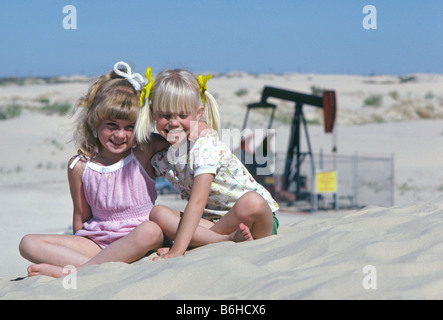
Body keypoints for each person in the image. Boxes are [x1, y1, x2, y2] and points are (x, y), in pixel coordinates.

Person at [18, 62, 168, 278]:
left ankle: (77, 271)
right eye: (112, 125)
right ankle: (99, 266)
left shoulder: (144, 150)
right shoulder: (80, 166)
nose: (120, 135)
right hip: (97, 244)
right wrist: (75, 245)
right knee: (28, 243)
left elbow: (180, 139)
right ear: (95, 123)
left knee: (152, 230)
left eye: (130, 127)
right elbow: (80, 217)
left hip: (139, 240)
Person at [134, 68, 280, 261]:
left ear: (198, 114)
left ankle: (201, 242)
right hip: (210, 223)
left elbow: (197, 202)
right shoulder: (162, 155)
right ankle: (223, 240)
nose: (173, 122)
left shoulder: (204, 146)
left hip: (253, 220)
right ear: (153, 115)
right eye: (165, 115)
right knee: (158, 212)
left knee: (251, 202)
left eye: (182, 115)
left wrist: (176, 251)